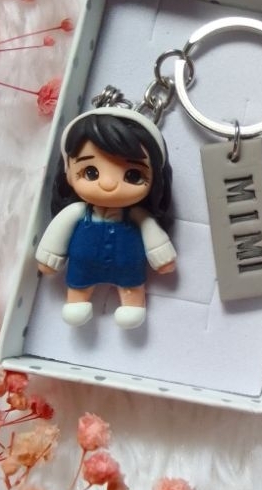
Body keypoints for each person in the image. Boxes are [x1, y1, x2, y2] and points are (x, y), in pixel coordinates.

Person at [36, 107, 176, 329]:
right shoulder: (75, 212)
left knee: (132, 284)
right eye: (91, 172)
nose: (108, 184)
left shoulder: (139, 216)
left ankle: (133, 307)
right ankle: (76, 303)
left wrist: (162, 256)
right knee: (79, 283)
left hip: (128, 264)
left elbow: (152, 233)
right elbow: (57, 231)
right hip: (83, 265)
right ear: (69, 174)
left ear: (155, 179)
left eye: (133, 175)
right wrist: (50, 256)